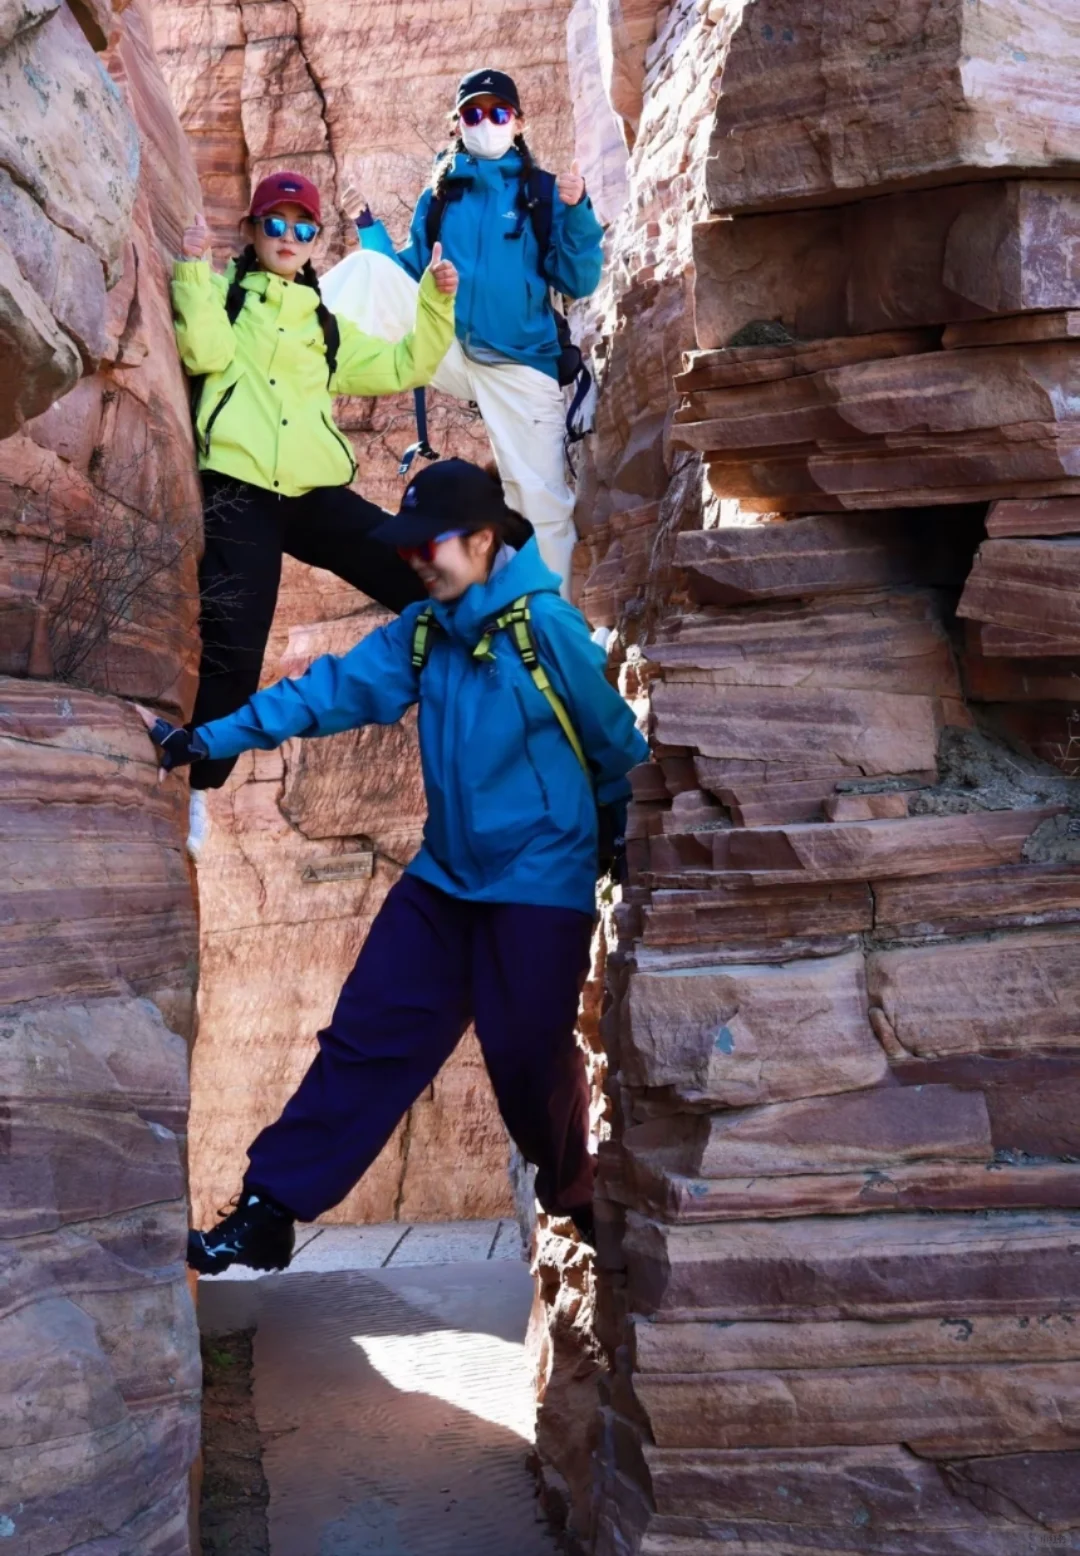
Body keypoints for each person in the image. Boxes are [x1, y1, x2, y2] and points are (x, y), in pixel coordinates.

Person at [139, 459, 647, 1273]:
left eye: (429, 545)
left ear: (484, 541)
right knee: (366, 1039)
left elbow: (617, 743)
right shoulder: (423, 633)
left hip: (540, 886)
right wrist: (206, 740)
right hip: (445, 883)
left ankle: (579, 1195)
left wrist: (623, 840)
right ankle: (269, 1209)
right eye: (406, 547)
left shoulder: (543, 629)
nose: (414, 560)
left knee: (526, 1060)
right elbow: (324, 693)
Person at [174, 168, 460, 794]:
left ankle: (477, 650)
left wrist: (436, 302)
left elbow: (403, 363)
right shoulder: (227, 297)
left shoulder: (321, 323)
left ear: (314, 239)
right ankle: (198, 784)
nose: (288, 235)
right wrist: (193, 269)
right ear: (252, 231)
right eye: (274, 223)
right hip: (240, 489)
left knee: (411, 563)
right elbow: (201, 353)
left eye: (302, 227)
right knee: (236, 645)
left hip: (311, 491)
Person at [321, 69, 605, 595]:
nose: (487, 123)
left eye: (499, 113)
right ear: (457, 126)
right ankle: (289, 342)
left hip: (521, 363)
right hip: (451, 346)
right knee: (367, 271)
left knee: (538, 502)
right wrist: (366, 224)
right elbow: (404, 274)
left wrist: (578, 210)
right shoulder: (442, 194)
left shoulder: (540, 193)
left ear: (518, 123)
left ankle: (549, 630)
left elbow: (578, 277)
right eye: (474, 114)